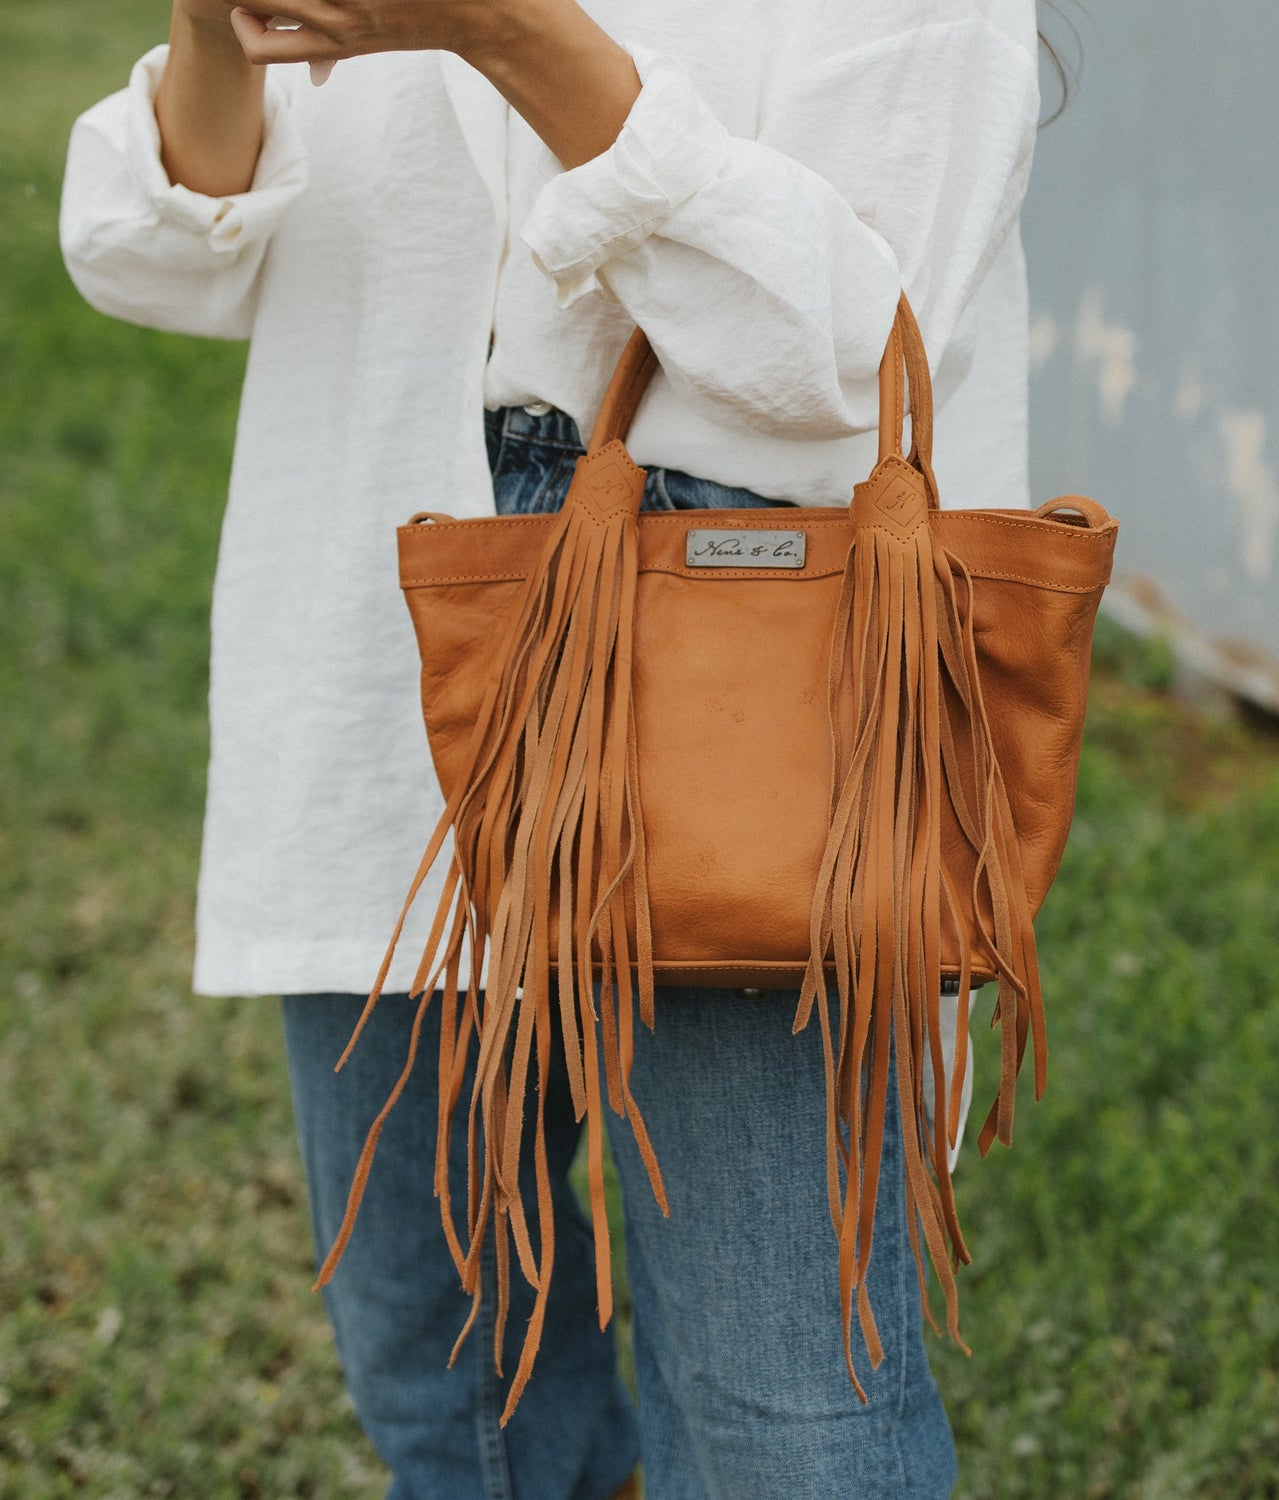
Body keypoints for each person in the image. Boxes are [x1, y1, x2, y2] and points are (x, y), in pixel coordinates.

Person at [60, 1, 1043, 1495]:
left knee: (780, 1415)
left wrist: (507, 35)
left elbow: (848, 352)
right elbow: (158, 248)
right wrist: (214, 31)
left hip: (747, 720)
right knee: (447, 1374)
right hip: (380, 667)